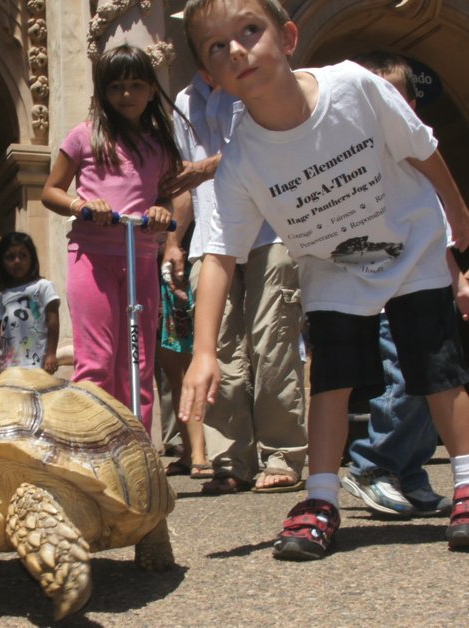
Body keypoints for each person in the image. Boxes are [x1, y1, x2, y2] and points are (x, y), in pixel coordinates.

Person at [179, 0, 469, 560]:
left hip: (410, 244)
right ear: (211, 78)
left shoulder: (354, 87)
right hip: (333, 265)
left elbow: (425, 149)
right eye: (218, 47)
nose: (237, 49)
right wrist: (204, 351)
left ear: (288, 37)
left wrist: (459, 221)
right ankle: (320, 499)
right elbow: (219, 254)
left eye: (249, 30)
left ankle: (465, 481)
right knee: (332, 379)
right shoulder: (241, 162)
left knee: (438, 371)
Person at [160, 69, 307, 495]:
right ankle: (231, 457)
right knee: (218, 346)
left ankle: (282, 453)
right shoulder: (185, 102)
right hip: (210, 238)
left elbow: (270, 149)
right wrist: (174, 241)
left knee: (272, 341)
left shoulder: (260, 83)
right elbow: (185, 184)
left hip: (270, 231)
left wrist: (204, 167)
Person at [342, 52, 463, 517]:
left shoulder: (420, 158)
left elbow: (437, 233)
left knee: (430, 378)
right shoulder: (362, 161)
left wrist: (457, 279)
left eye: (396, 96)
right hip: (388, 285)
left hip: (427, 282)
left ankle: (408, 472)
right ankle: (374, 464)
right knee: (405, 379)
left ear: (412, 103)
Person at [41, 44, 182, 434]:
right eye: (117, 86)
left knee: (137, 364)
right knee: (97, 361)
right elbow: (50, 191)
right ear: (103, 90)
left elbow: (167, 194)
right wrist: (81, 205)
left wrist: (161, 211)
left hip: (139, 259)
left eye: (136, 85)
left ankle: (137, 451)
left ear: (151, 90)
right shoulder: (85, 136)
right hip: (92, 256)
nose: (126, 95)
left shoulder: (159, 143)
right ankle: (91, 448)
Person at [158, 255, 213, 479]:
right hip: (152, 268)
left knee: (192, 365)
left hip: (181, 266)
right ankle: (189, 452)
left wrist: (173, 241)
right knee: (173, 374)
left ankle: (200, 453)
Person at [0, 232, 60, 376]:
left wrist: (51, 354)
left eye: (23, 256)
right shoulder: (1, 297)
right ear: (2, 263)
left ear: (32, 258)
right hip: (8, 368)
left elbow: (52, 321)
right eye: (10, 257)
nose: (17, 261)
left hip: (37, 364)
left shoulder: (43, 287)